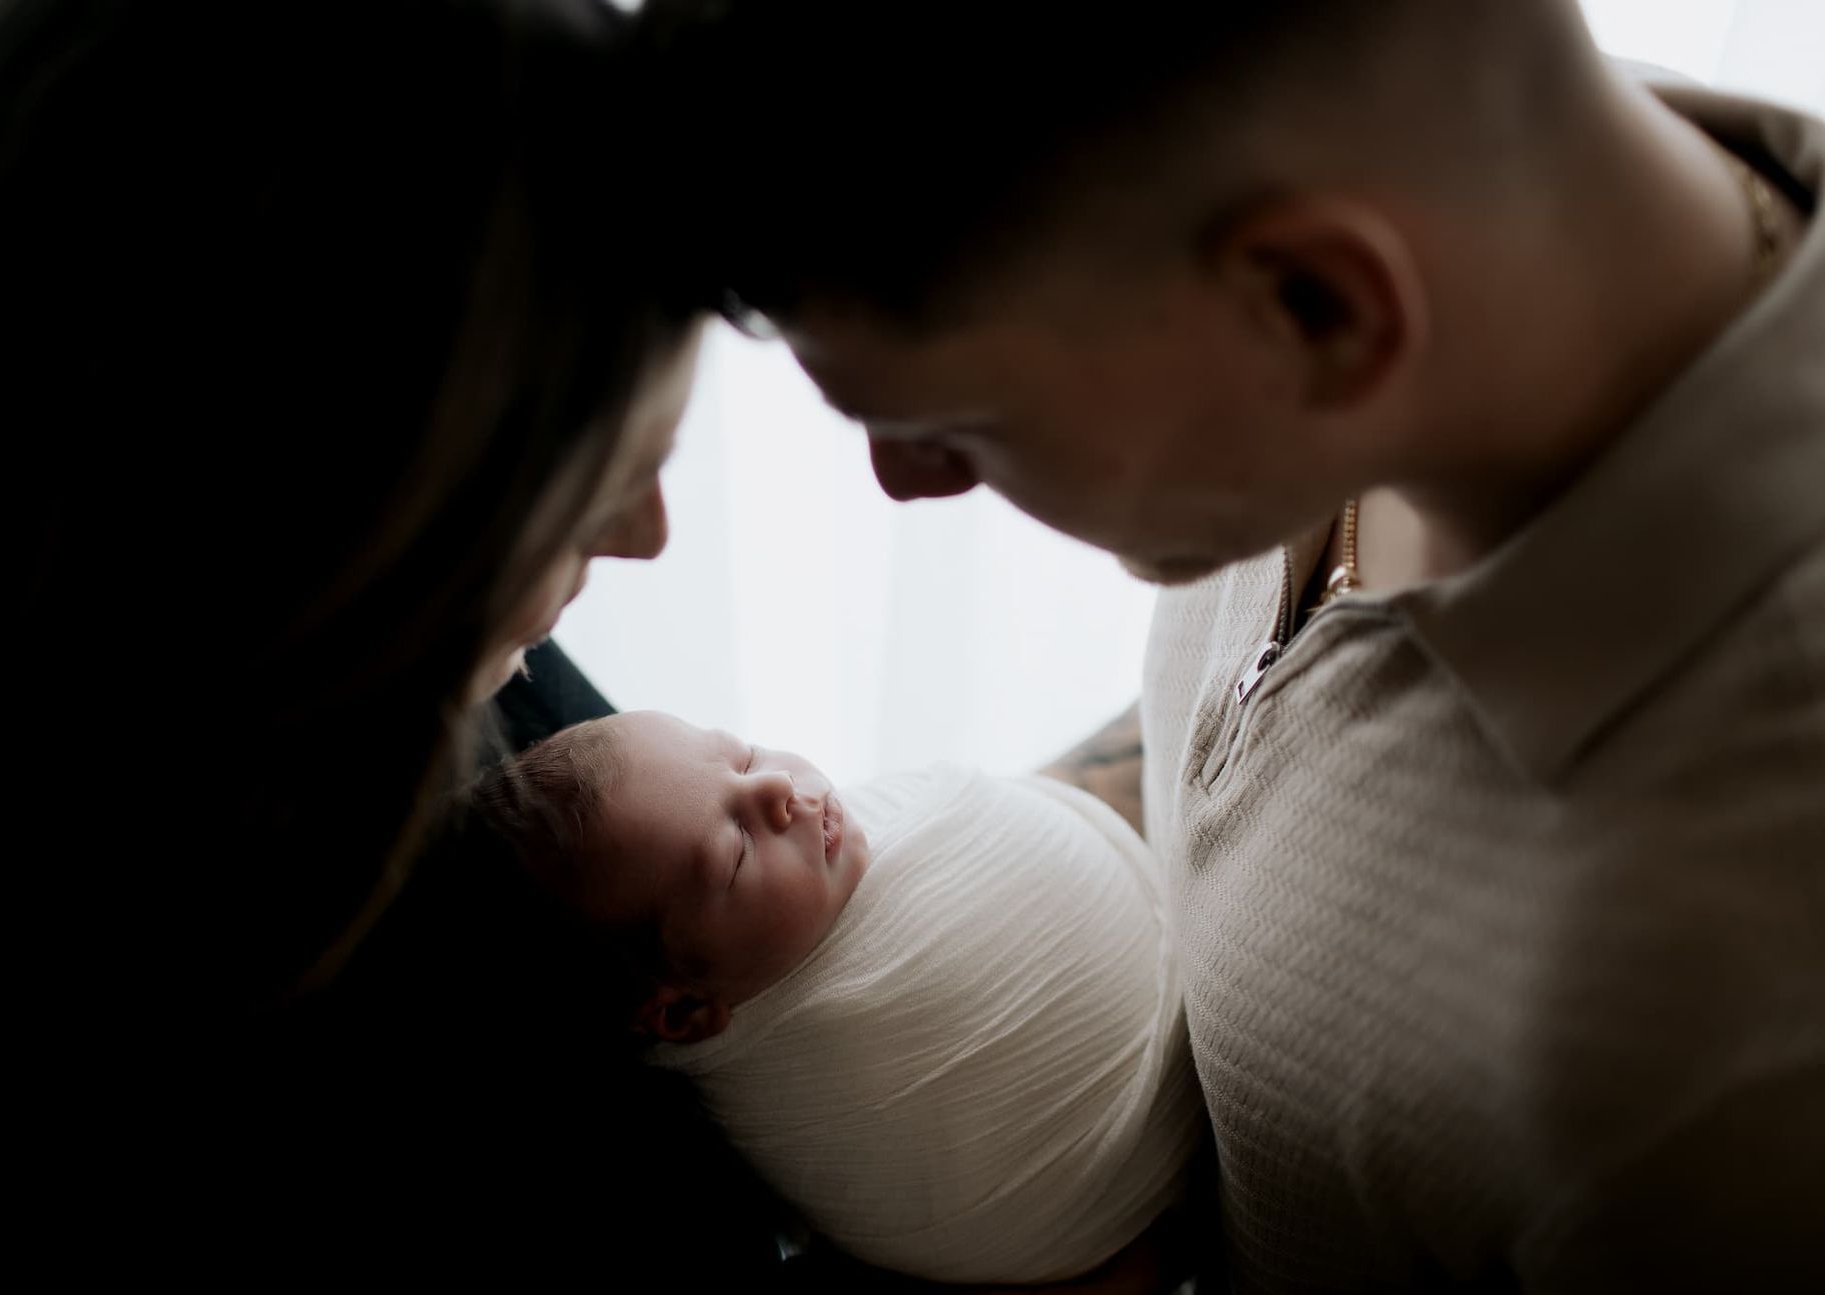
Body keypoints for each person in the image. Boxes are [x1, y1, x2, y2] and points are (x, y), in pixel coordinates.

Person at [639, 1, 1825, 1288]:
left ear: (1321, 309)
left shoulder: (1741, 1050)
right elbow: (1272, 750)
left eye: (960, 424)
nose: (907, 486)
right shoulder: (1454, 246)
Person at [0, 0, 792, 1282]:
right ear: (350, 499)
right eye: (594, 473)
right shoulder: (287, 1078)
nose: (650, 535)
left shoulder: (431, 696)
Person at [478, 710, 1199, 1285]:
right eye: (733, 850)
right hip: (1127, 1197)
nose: (777, 791)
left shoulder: (789, 886)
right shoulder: (827, 1068)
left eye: (744, 755)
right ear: (684, 1013)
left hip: (1169, 947)